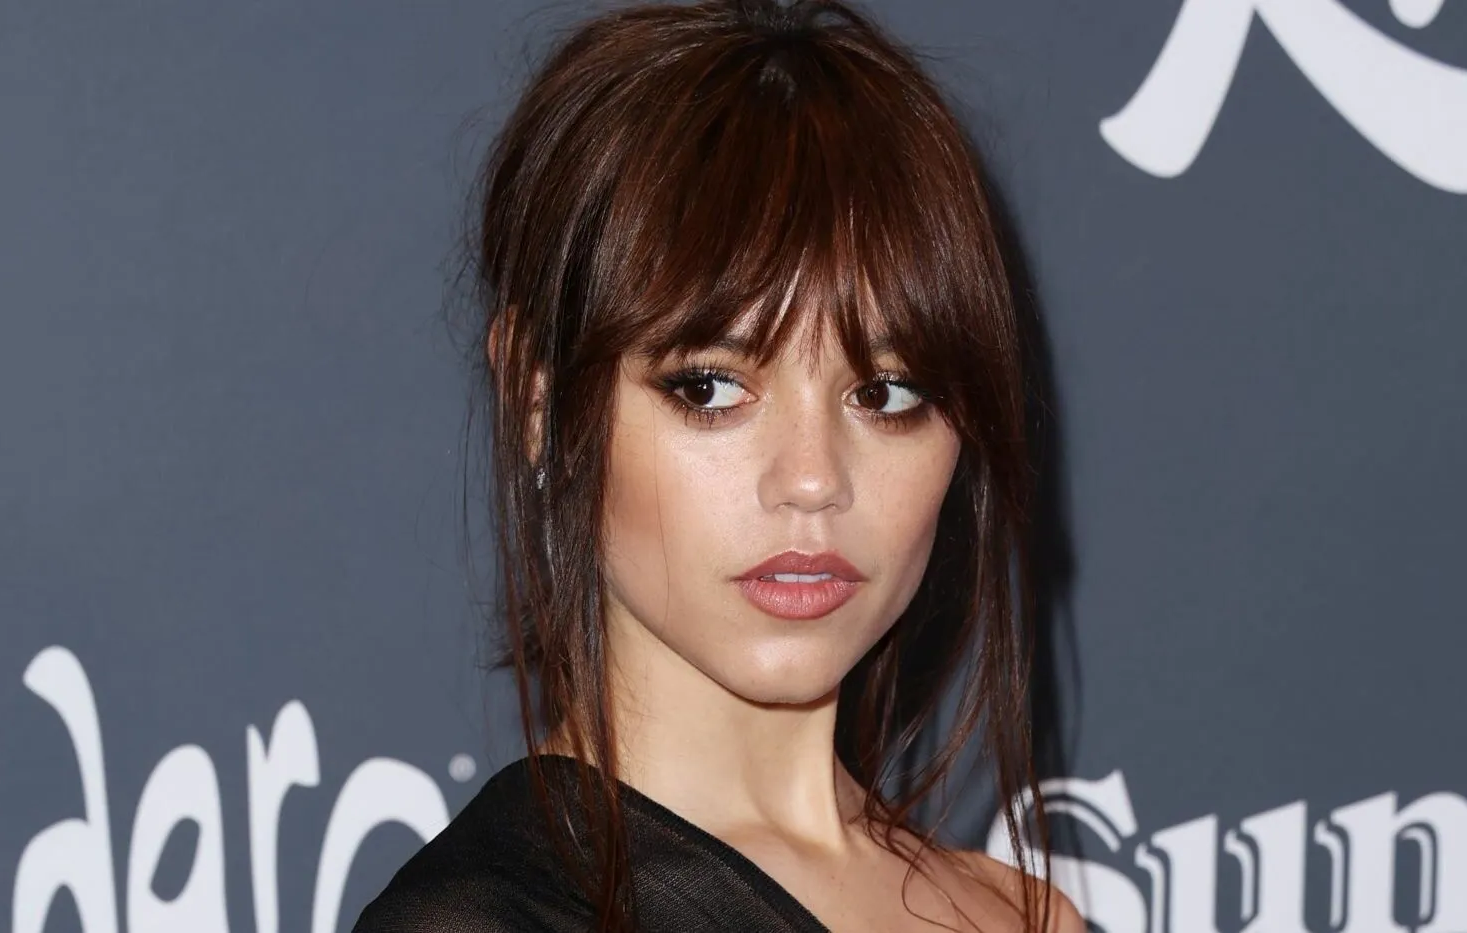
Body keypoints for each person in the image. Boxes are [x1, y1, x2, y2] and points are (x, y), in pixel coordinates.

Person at [353, 0, 1080, 930]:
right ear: (539, 403)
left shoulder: (1023, 915)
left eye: (887, 393)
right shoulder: (483, 919)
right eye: (709, 387)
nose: (812, 479)